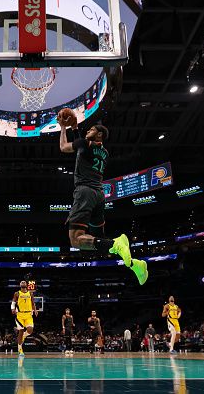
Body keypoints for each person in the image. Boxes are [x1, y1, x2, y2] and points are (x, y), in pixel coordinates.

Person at [57, 110, 148, 285]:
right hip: (99, 194)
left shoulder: (87, 145)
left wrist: (63, 128)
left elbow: (64, 147)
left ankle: (117, 243)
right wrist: (75, 127)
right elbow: (82, 148)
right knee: (98, 240)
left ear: (99, 134)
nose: (87, 131)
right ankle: (133, 264)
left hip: (84, 192)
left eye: (90, 129)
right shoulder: (104, 152)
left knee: (76, 239)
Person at [11, 280, 38, 357]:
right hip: (20, 315)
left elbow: (33, 303)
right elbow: (13, 302)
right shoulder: (17, 293)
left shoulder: (30, 293)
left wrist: (35, 310)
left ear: (26, 285)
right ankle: (20, 349)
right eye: (21, 282)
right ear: (20, 285)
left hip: (29, 314)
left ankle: (23, 336)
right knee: (21, 331)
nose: (23, 283)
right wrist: (13, 309)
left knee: (30, 330)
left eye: (24, 282)